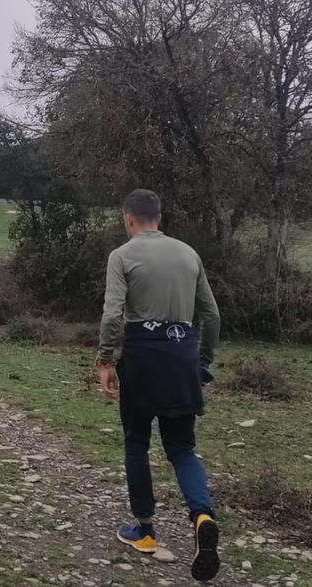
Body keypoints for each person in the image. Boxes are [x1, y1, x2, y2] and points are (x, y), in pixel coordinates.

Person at [96, 188, 222, 582]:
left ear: (128, 218)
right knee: (182, 448)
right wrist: (201, 362)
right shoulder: (188, 254)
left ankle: (145, 532)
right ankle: (202, 515)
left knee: (136, 442)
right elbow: (212, 316)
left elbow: (113, 315)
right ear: (159, 217)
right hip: (182, 354)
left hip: (140, 358)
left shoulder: (122, 256)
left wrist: (105, 360)